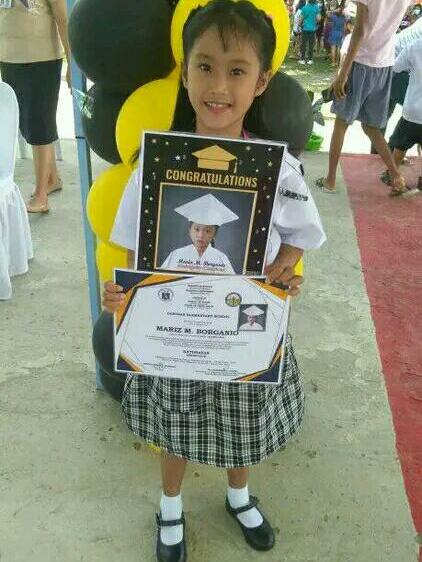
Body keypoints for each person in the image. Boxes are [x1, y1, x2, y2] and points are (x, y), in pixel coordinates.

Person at [101, 2, 326, 561]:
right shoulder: (155, 165)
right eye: (204, 66)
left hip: (242, 331)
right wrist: (121, 294)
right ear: (185, 72)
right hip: (175, 334)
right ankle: (170, 505)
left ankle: (239, 496)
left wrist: (284, 268)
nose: (218, 85)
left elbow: (301, 234)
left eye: (236, 70)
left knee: (242, 421)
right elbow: (133, 249)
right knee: (174, 422)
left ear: (261, 80)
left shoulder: (279, 170)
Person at [316, 0, 414, 195]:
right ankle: (396, 176)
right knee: (371, 127)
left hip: (360, 63)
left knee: (341, 123)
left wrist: (343, 73)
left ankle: (330, 180)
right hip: (384, 65)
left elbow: (359, 32)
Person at [0, 0, 71, 214]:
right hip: (9, 58)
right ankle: (52, 179)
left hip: (41, 59)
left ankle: (41, 195)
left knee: (40, 124)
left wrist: (72, 62)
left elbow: (62, 18)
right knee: (27, 123)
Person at [380, 37, 422, 195]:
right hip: (414, 111)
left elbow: (396, 67)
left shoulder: (415, 45)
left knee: (400, 146)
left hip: (412, 110)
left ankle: (393, 177)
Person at [160, 193, 237, 273]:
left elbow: (231, 280)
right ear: (189, 230)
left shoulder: (221, 259)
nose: (201, 235)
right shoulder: (176, 255)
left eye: (207, 231)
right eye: (197, 229)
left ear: (215, 234)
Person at [298, 0, 321, 65]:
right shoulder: (317, 8)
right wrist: (315, 22)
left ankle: (302, 59)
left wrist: (299, 25)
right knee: (311, 44)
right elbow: (318, 19)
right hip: (312, 29)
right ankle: (310, 59)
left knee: (303, 44)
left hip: (305, 28)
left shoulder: (304, 8)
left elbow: (301, 19)